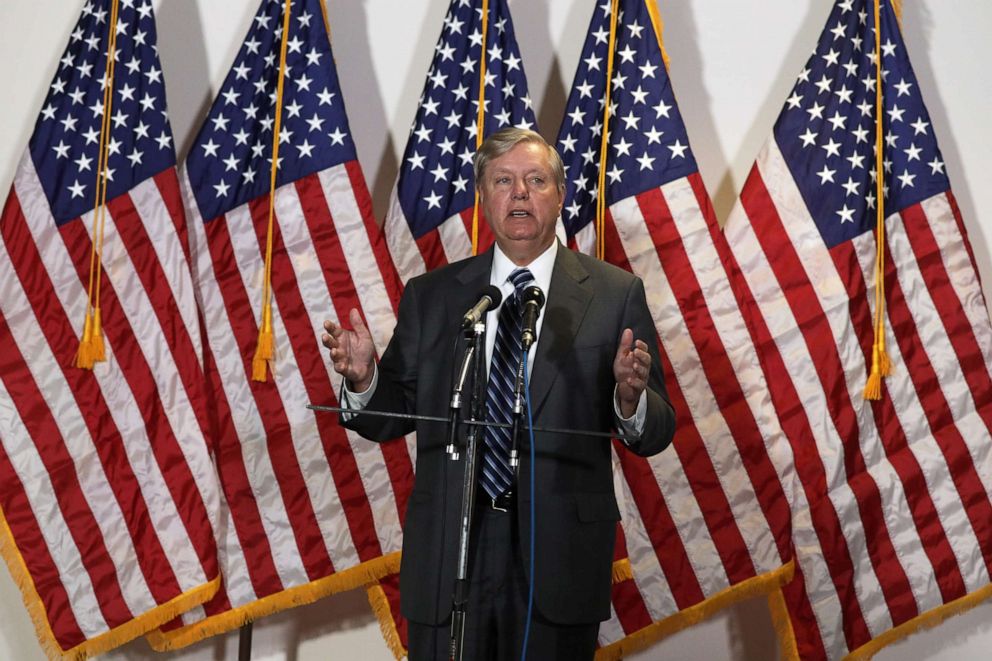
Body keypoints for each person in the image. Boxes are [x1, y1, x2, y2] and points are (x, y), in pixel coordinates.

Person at [322, 127, 675, 660]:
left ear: (559, 195)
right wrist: (365, 380)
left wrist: (630, 400)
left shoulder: (613, 293)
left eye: (535, 180)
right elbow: (391, 417)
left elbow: (657, 430)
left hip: (558, 554)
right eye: (503, 181)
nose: (519, 194)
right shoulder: (435, 296)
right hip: (452, 548)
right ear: (484, 198)